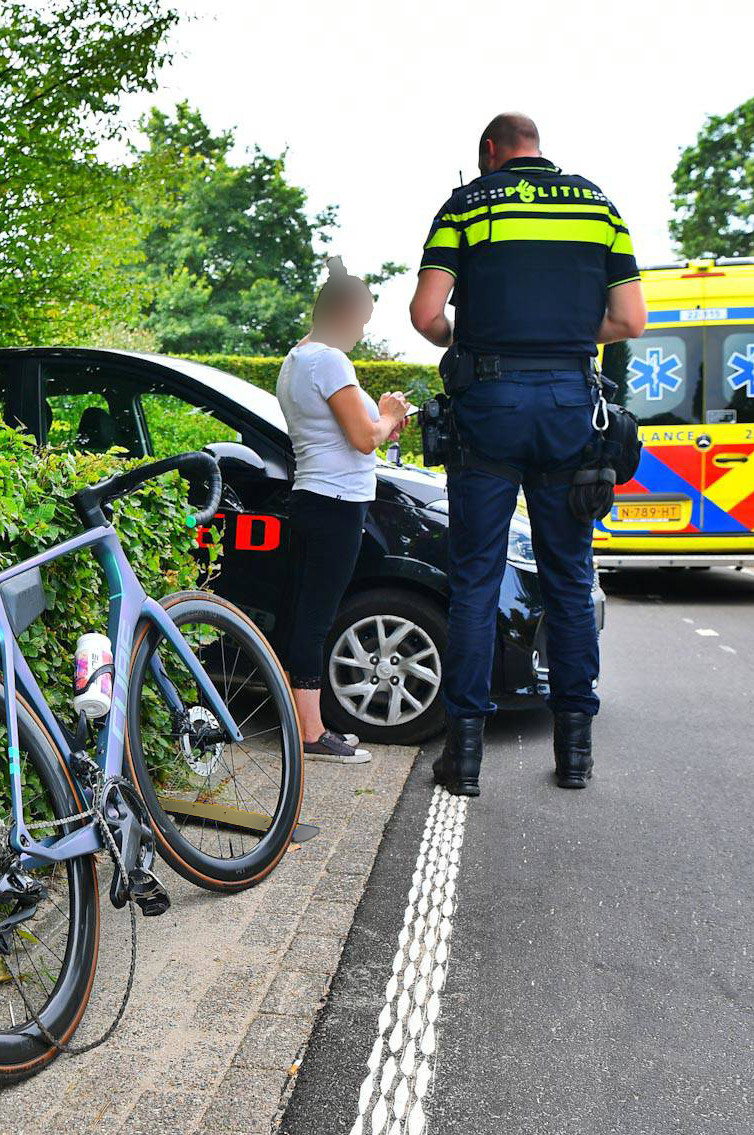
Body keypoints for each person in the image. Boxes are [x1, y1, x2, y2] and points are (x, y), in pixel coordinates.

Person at [407, 112, 646, 794]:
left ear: (490, 151)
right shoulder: (598, 207)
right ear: (536, 147)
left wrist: (467, 336)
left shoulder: (466, 205)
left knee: (476, 581)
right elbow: (630, 319)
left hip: (489, 405)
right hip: (572, 407)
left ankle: (464, 759)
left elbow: (426, 315)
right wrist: (567, 338)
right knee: (569, 579)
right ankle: (575, 755)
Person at [276, 257, 410, 763]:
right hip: (336, 504)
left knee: (306, 614)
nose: (362, 332)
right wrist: (389, 413)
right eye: (362, 320)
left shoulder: (296, 360)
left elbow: (349, 433)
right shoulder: (330, 360)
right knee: (316, 618)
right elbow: (363, 438)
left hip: (313, 496)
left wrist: (381, 424)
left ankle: (305, 724)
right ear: (343, 313)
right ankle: (310, 735)